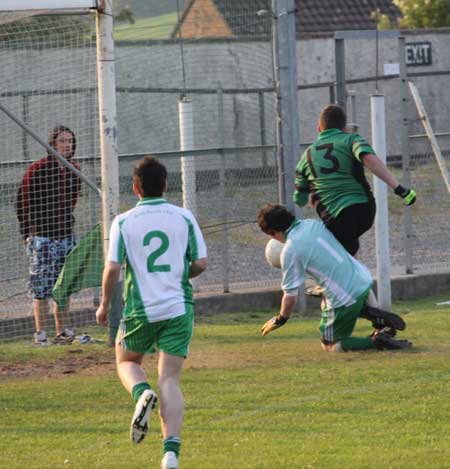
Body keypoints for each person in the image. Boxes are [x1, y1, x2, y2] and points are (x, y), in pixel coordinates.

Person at [96, 156, 207, 469]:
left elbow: (113, 268)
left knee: (126, 361)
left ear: (135, 187)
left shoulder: (123, 221)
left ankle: (141, 393)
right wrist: (180, 274)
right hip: (178, 308)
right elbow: (200, 263)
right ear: (166, 185)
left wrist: (105, 303)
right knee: (169, 379)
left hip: (140, 309)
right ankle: (170, 454)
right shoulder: (183, 217)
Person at [257, 203, 412, 352]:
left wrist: (281, 319)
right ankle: (373, 316)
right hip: (363, 279)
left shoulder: (290, 250)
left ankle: (377, 341)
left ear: (272, 232)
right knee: (326, 303)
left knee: (330, 344)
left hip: (346, 295)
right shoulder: (311, 224)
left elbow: (290, 297)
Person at [293, 104, 416, 256]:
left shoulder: (306, 157)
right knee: (347, 248)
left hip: (335, 218)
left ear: (319, 128)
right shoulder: (351, 139)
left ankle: (349, 273)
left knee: (337, 258)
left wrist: (310, 194)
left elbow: (299, 200)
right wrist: (398, 188)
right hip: (365, 209)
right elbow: (369, 159)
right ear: (344, 127)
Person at [16, 125, 81, 345]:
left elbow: (72, 201)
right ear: (52, 144)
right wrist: (28, 234)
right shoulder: (38, 169)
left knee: (63, 286)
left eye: (70, 141)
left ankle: (62, 330)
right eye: (62, 141)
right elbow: (22, 202)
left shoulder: (73, 169)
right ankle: (40, 334)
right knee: (41, 287)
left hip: (65, 236)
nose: (67, 145)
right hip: (42, 237)